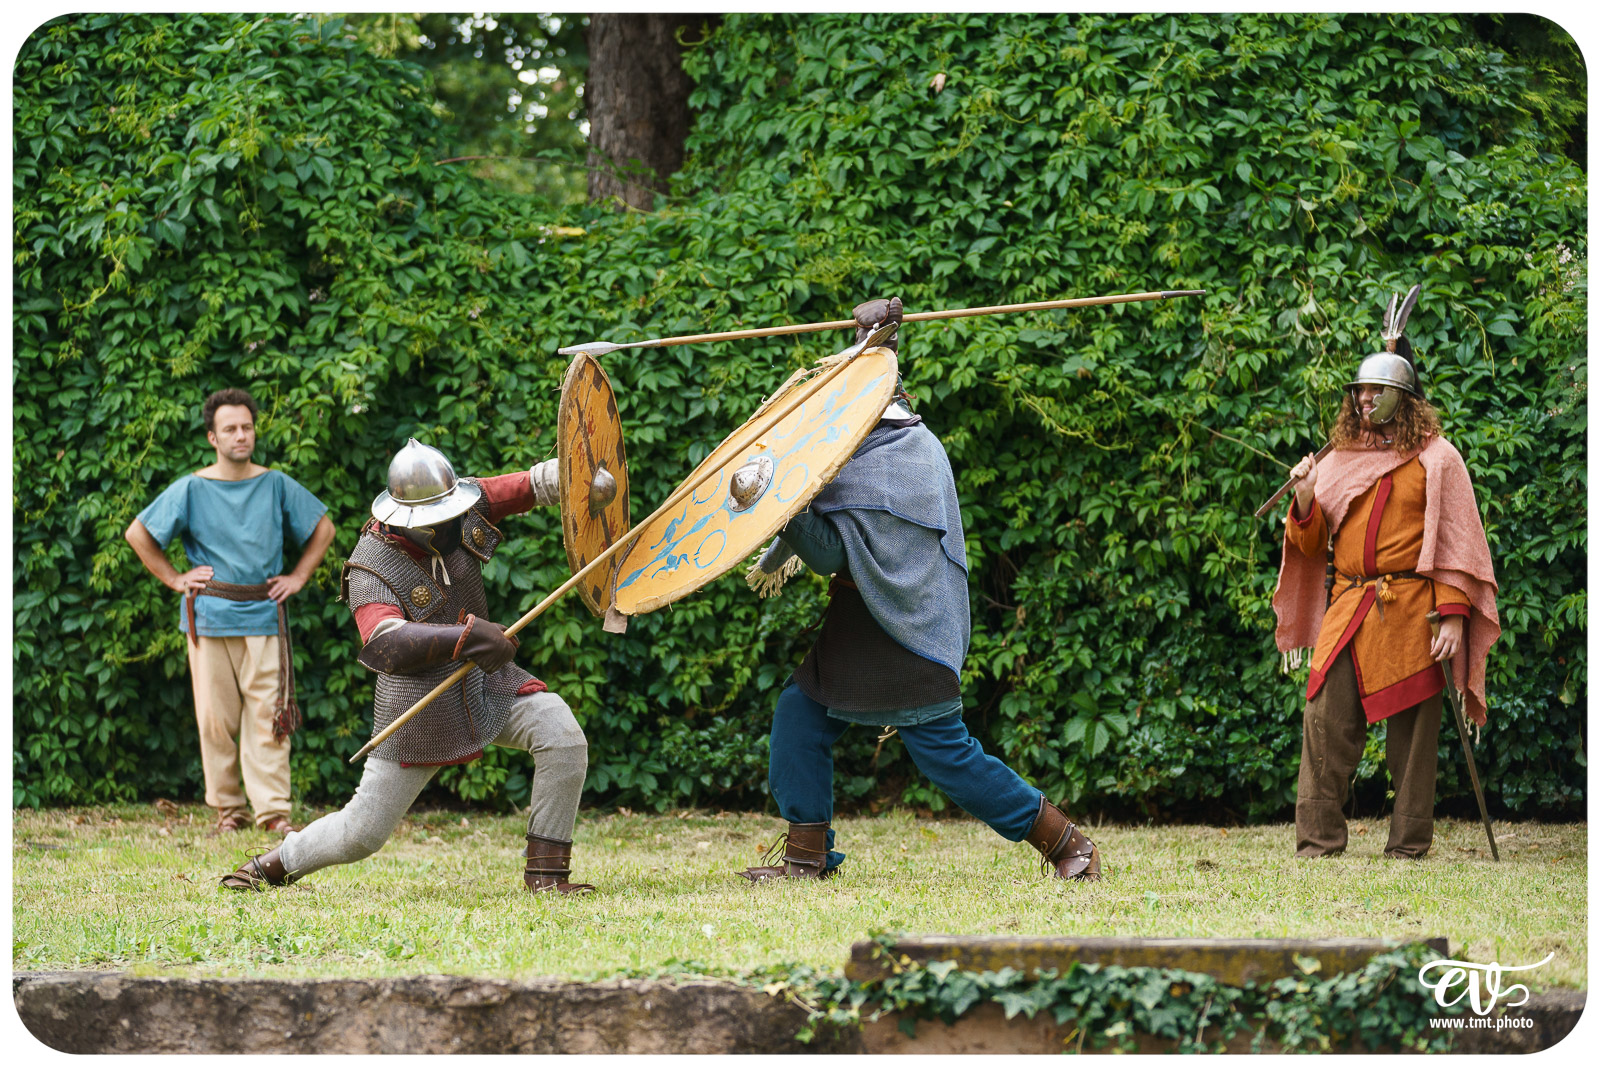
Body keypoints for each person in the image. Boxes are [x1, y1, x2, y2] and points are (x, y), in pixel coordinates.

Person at [737, 297, 1102, 883]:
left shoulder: (911, 455)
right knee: (798, 719)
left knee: (946, 756)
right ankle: (807, 858)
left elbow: (831, 552)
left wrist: (785, 507)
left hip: (909, 625)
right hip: (858, 619)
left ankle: (1067, 844)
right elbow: (870, 360)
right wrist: (876, 332)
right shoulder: (854, 451)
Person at [222, 439, 594, 894]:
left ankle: (547, 878)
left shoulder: (461, 504)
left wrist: (582, 473)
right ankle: (271, 866)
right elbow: (384, 642)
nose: (450, 524)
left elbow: (531, 485)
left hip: (484, 682)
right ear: (404, 518)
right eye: (436, 521)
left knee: (561, 735)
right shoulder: (369, 565)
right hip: (418, 704)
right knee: (362, 832)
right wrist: (465, 637)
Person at [1272, 285, 1499, 860]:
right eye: (1360, 391)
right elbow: (1313, 541)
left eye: (1378, 390)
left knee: (1415, 741)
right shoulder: (1339, 459)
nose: (1365, 400)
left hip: (1414, 611)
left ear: (1404, 396)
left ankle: (1409, 845)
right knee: (1325, 720)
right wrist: (1303, 499)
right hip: (1351, 606)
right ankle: (1318, 842)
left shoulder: (1438, 458)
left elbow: (1456, 544)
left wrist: (1452, 614)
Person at [127, 388, 335, 834]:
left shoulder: (275, 483)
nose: (241, 435)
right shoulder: (191, 488)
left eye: (247, 426)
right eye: (230, 429)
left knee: (269, 719)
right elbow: (138, 534)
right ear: (212, 437)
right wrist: (174, 578)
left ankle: (273, 812)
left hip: (262, 616)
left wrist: (297, 577)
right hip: (210, 618)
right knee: (215, 721)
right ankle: (229, 810)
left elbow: (323, 528)